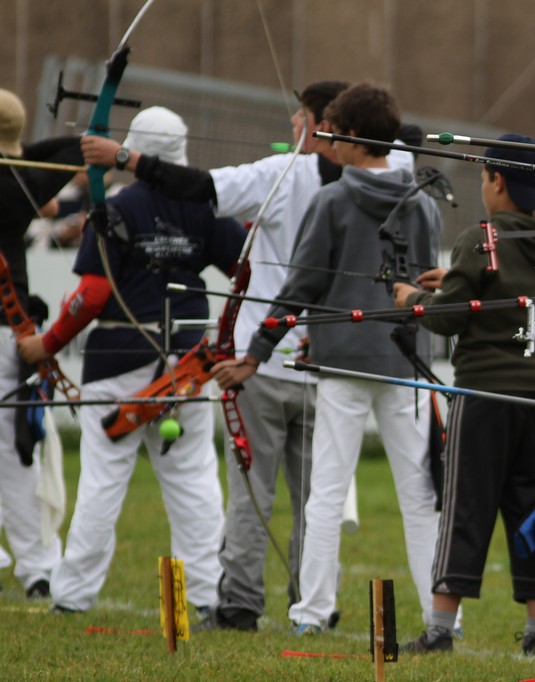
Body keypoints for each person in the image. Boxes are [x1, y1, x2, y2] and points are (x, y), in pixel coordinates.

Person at [81, 80, 412, 632]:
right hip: (324, 361)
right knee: (317, 495)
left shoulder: (281, 177)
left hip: (263, 363)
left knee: (255, 491)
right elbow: (405, 142)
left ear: (319, 124)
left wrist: (125, 159)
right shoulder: (394, 175)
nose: (293, 134)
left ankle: (239, 606)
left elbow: (196, 186)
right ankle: (313, 605)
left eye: (298, 124)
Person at [212, 83, 442, 635]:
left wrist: (255, 353)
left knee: (328, 493)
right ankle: (441, 620)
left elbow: (301, 287)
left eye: (334, 132)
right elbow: (427, 288)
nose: (326, 142)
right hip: (404, 363)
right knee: (419, 495)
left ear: (356, 138)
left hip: (343, 364)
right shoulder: (425, 204)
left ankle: (311, 613)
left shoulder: (333, 200)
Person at [20, 106, 245, 613]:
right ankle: (204, 597)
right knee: (193, 479)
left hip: (121, 355)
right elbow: (245, 271)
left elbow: (93, 294)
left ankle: (74, 597)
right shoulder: (203, 205)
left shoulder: (117, 207)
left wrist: (47, 344)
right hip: (186, 359)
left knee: (104, 478)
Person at [392, 133, 535, 657]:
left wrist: (413, 298)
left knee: (465, 506)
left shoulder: (479, 238)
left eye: (485, 179)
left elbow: (448, 317)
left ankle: (440, 629)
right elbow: (515, 297)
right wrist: (456, 283)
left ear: (497, 181)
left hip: (484, 394)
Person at [0, 87, 80, 599]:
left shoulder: (15, 181)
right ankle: (37, 565)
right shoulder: (19, 184)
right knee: (14, 453)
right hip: (10, 331)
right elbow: (78, 149)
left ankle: (34, 563)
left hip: (6, 326)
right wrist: (17, 149)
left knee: (13, 451)